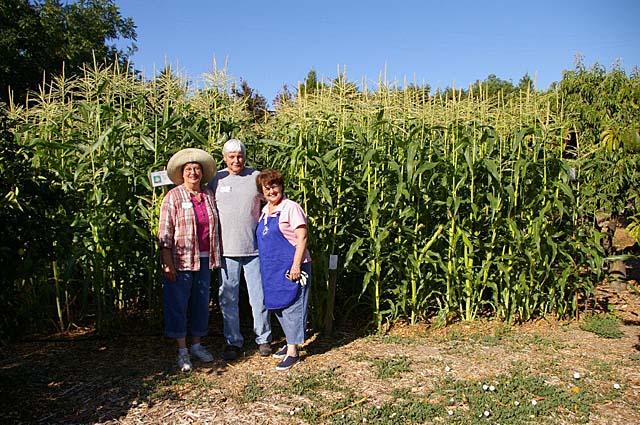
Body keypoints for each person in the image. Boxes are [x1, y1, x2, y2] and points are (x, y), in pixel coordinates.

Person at [158, 148, 221, 372]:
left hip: (205, 259)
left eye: (196, 169)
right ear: (181, 174)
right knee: (178, 305)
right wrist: (167, 261)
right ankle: (182, 351)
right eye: (188, 169)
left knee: (200, 304)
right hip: (181, 260)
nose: (193, 172)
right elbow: (165, 233)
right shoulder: (173, 196)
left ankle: (197, 345)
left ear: (202, 173)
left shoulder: (209, 196)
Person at [209, 139, 272, 361]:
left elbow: (272, 199)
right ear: (224, 157)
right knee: (228, 298)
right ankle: (233, 342)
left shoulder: (256, 177)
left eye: (240, 155)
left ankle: (263, 339)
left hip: (254, 250)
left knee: (259, 297)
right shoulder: (216, 179)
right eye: (232, 156)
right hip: (226, 251)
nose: (237, 160)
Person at [255, 169, 312, 371]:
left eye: (274, 186)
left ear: (281, 187)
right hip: (273, 268)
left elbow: (302, 237)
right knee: (279, 306)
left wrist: (296, 265)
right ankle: (289, 342)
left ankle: (293, 351)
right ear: (262, 192)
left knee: (293, 306)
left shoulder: (291, 208)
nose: (271, 191)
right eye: (267, 188)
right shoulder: (265, 211)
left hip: (291, 266)